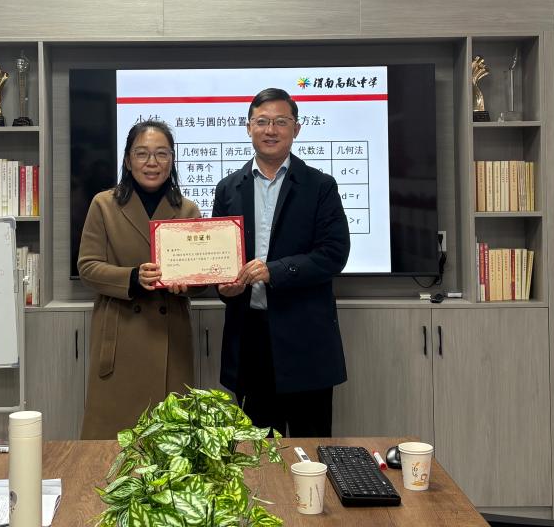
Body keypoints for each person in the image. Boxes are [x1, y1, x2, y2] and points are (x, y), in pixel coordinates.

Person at [212, 88, 350, 437]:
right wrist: (224, 288)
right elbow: (219, 260)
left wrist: (274, 271)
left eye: (280, 122)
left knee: (311, 450)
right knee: (256, 453)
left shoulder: (320, 186)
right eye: (262, 121)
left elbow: (334, 254)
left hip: (305, 341)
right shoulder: (227, 189)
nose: (270, 130)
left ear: (296, 129)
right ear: (248, 127)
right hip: (250, 340)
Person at [77, 120, 201, 440]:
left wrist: (188, 283)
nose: (152, 162)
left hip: (170, 338)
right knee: (113, 448)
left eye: (161, 154)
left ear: (172, 160)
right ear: (128, 160)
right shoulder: (104, 204)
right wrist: (132, 277)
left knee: (170, 446)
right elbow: (87, 267)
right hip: (121, 335)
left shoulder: (188, 209)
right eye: (142, 153)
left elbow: (199, 275)